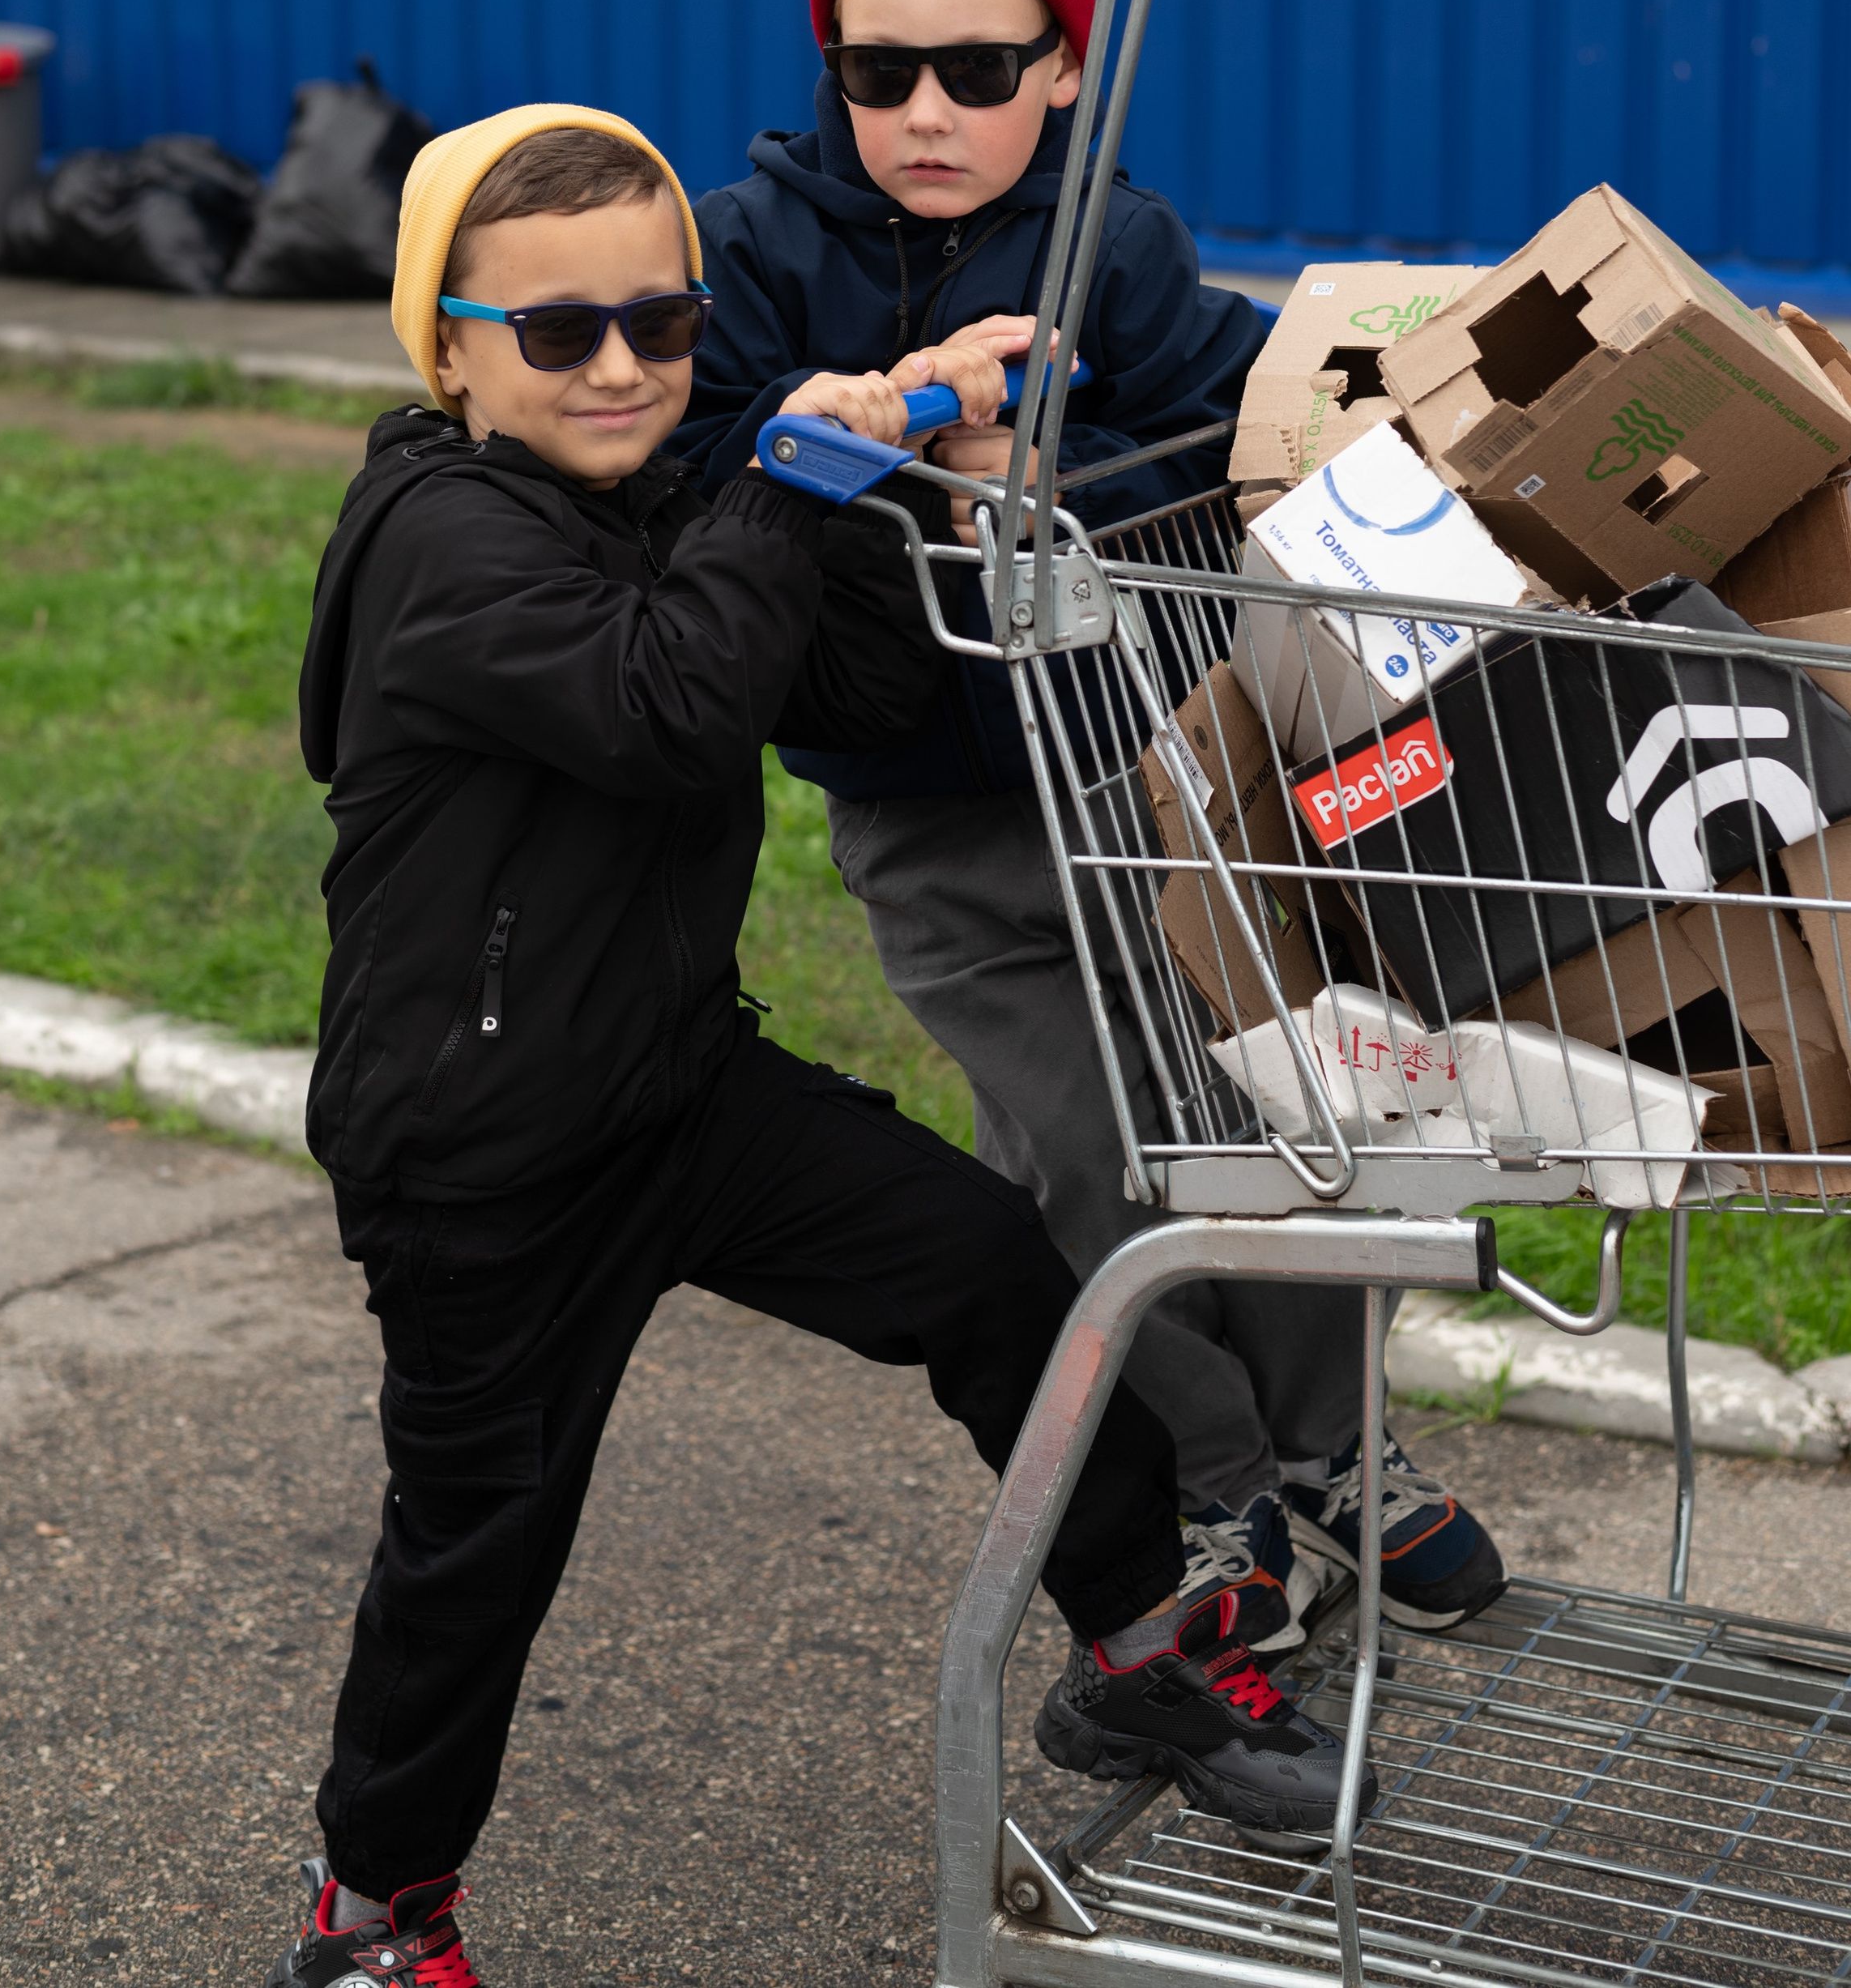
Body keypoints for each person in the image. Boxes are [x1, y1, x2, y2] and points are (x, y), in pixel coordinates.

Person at [267, 103, 1367, 1988]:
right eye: (556, 333)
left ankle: (1130, 1649)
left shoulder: (640, 501)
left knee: (993, 1274)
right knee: (479, 1547)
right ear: (445, 346)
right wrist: (784, 477)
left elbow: (844, 685)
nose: (622, 367)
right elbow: (673, 707)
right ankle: (374, 1917)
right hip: (479, 1157)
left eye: (664, 324)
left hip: (674, 1083)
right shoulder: (439, 538)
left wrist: (907, 460)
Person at [680, 0, 1508, 1652]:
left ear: (1059, 64)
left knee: (1258, 1112)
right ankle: (1203, 1472)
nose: (921, 111)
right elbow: (687, 460)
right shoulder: (743, 252)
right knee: (1072, 1151)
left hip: (1146, 780)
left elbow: (1234, 449)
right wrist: (819, 443)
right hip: (928, 812)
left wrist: (1049, 471)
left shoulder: (1110, 247)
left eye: (976, 71)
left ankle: (1330, 1443)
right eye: (871, 70)